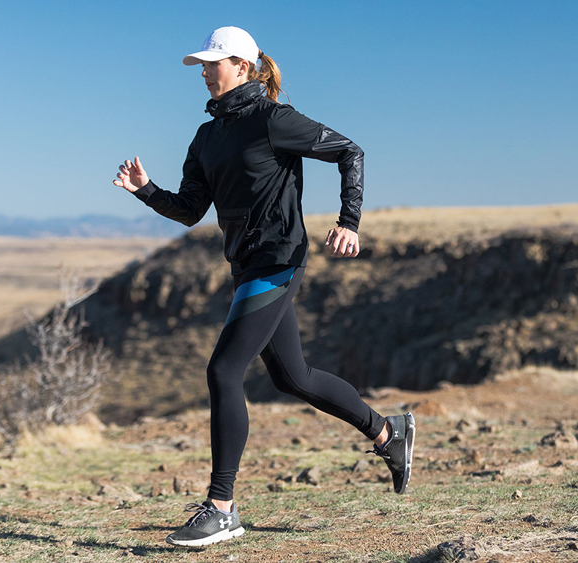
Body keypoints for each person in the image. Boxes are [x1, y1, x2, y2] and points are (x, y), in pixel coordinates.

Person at [112, 26, 415, 547]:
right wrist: (146, 191)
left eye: (214, 63)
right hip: (245, 265)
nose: (205, 72)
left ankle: (222, 507)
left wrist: (349, 221)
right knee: (293, 377)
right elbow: (189, 211)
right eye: (203, 65)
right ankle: (389, 433)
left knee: (225, 369)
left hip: (279, 259)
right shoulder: (205, 138)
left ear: (243, 67)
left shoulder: (274, 120)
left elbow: (350, 151)